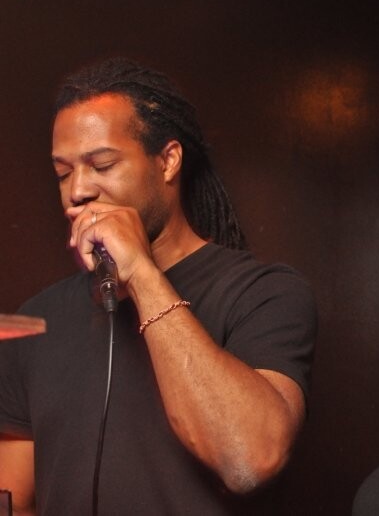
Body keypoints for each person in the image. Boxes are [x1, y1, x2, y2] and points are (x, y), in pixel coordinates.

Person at [0, 57, 317, 515]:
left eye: (102, 164)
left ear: (168, 161)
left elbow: (248, 461)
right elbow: (13, 499)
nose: (77, 191)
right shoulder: (37, 321)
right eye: (63, 173)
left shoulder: (263, 294)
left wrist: (141, 274)